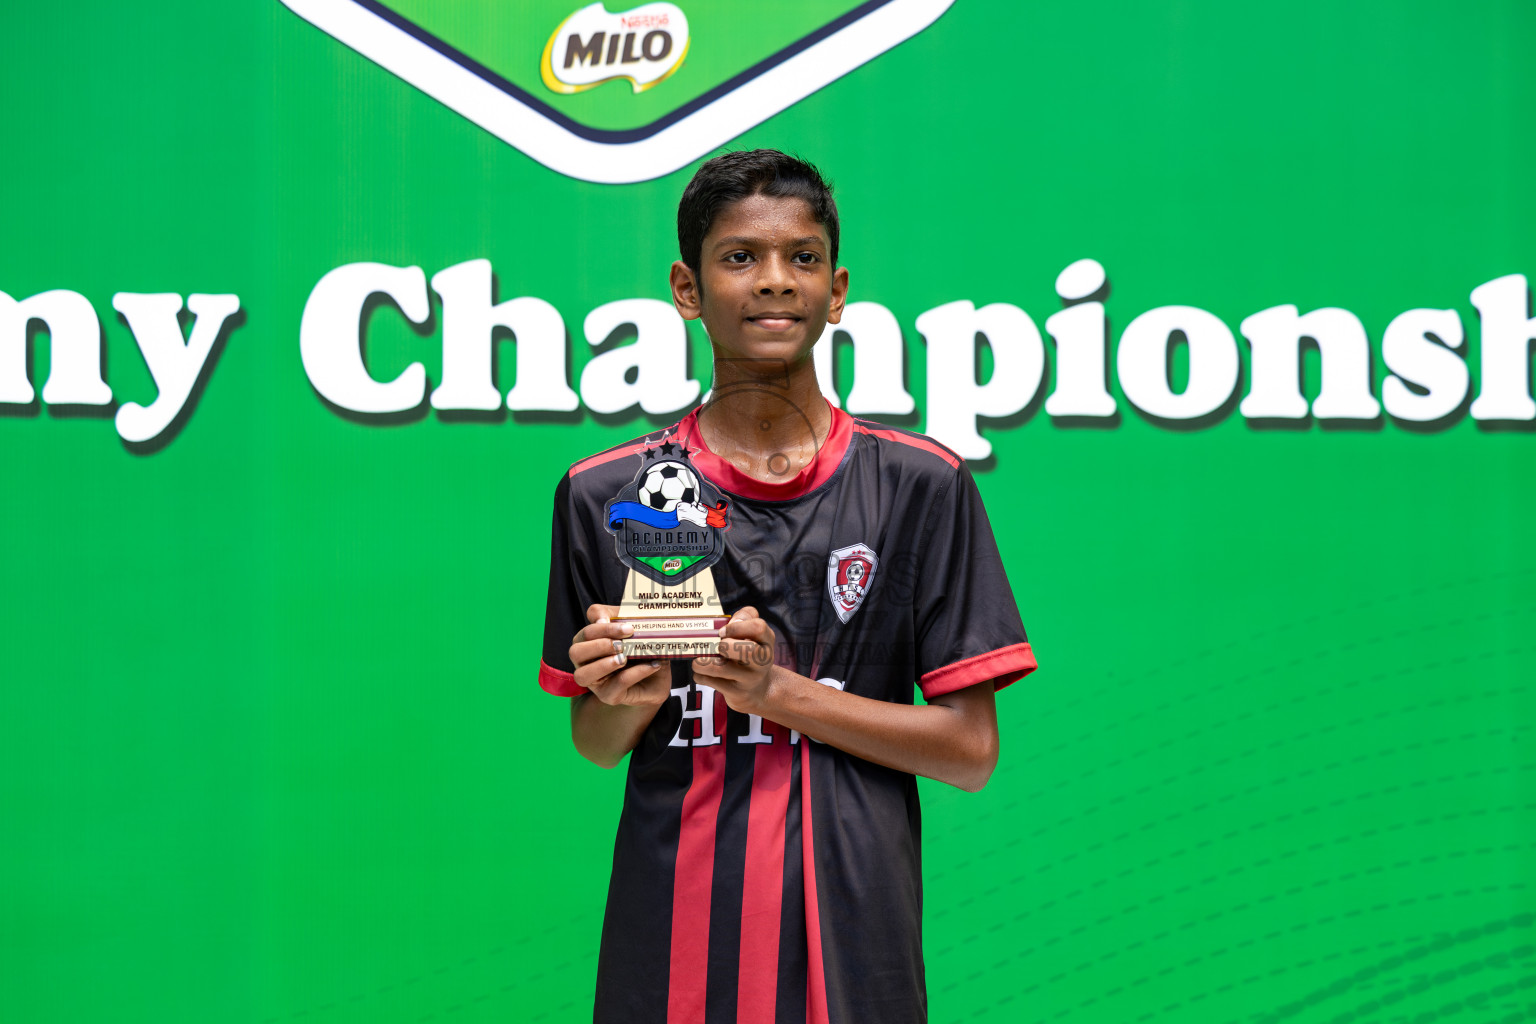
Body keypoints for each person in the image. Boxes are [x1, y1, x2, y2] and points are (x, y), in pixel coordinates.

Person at [539, 150, 1036, 1024]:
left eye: (802, 258)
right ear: (686, 290)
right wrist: (629, 689)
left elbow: (970, 750)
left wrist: (777, 693)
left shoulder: (923, 484)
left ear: (837, 290)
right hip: (671, 952)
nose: (774, 282)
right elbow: (595, 741)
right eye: (740, 258)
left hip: (858, 948)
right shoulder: (608, 492)